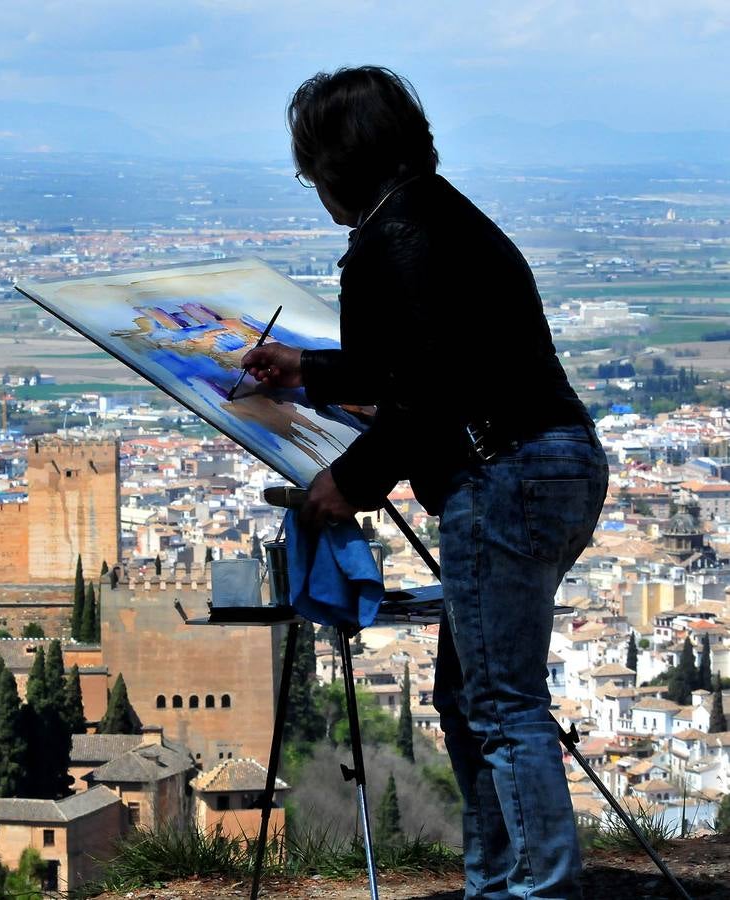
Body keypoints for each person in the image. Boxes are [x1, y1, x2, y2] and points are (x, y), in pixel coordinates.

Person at [242, 67, 608, 899]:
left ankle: (540, 890)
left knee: (503, 707)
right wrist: (311, 370)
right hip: (556, 459)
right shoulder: (444, 217)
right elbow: (419, 363)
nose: (315, 190)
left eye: (311, 171)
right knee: (470, 695)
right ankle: (499, 882)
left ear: (339, 164)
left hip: (501, 470)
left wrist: (351, 479)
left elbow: (422, 393)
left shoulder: (389, 243)